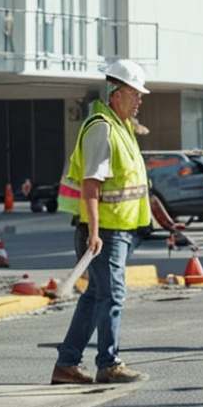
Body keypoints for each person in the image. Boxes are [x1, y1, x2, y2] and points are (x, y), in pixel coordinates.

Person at [51, 59, 153, 385]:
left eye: (140, 94)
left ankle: (66, 366)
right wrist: (94, 232)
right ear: (115, 92)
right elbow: (90, 185)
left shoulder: (121, 126)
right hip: (104, 233)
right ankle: (108, 364)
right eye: (134, 93)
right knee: (111, 296)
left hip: (119, 230)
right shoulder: (102, 128)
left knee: (96, 296)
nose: (140, 100)